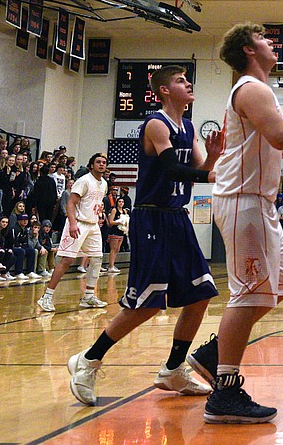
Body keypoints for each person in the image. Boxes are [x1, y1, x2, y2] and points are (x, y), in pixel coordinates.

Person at [64, 66, 223, 407]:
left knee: (201, 294)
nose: (188, 83)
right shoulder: (156, 123)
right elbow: (171, 168)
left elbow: (200, 173)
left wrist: (215, 153)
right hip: (151, 217)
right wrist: (211, 168)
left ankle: (173, 368)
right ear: (164, 91)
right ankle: (88, 361)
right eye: (180, 80)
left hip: (178, 218)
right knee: (147, 303)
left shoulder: (189, 126)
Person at [200, 23, 283, 424]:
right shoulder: (253, 88)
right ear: (248, 50)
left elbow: (274, 141)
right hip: (242, 201)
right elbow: (278, 138)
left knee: (279, 288)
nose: (271, 42)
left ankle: (212, 355)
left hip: (258, 202)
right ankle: (224, 391)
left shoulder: (257, 91)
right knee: (250, 293)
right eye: (263, 38)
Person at [37, 153, 110, 309]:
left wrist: (99, 212)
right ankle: (46, 297)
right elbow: (71, 203)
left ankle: (89, 296)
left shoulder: (104, 183)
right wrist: (72, 223)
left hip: (93, 224)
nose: (101, 165)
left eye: (104, 162)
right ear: (92, 165)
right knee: (67, 260)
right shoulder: (84, 181)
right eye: (98, 162)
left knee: (97, 259)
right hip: (78, 223)